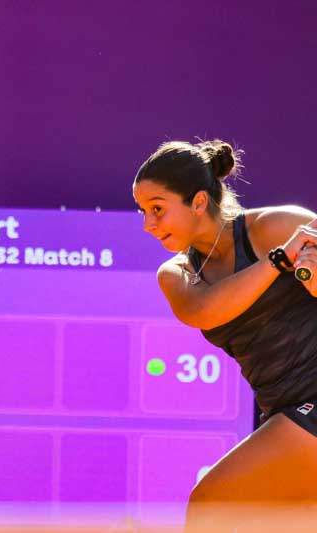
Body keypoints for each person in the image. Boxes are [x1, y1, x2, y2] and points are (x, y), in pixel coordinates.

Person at [132, 139, 317, 530]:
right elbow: (205, 310)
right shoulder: (176, 274)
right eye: (143, 211)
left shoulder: (277, 225)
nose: (148, 224)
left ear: (199, 202)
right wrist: (279, 260)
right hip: (284, 415)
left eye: (157, 209)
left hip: (308, 408)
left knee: (210, 504)